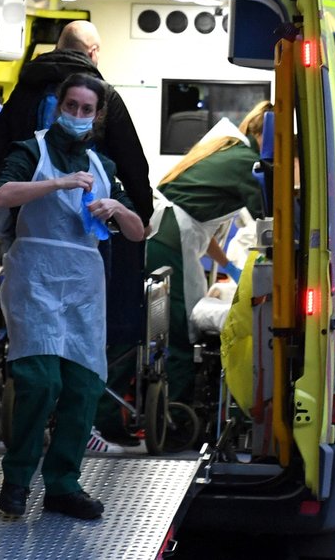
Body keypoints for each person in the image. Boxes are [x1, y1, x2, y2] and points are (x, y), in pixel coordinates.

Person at [0, 73, 146, 521]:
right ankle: (17, 479)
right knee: (42, 382)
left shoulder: (103, 167)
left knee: (84, 386)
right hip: (36, 279)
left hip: (81, 287)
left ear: (98, 117)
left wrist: (116, 207)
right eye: (71, 105)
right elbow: (3, 194)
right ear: (58, 106)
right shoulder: (30, 150)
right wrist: (57, 184)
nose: (77, 115)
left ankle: (62, 484)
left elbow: (137, 231)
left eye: (86, 109)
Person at [97, 101, 271, 440]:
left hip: (164, 234)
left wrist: (228, 267)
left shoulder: (228, 149)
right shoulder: (247, 163)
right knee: (176, 332)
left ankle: (113, 416)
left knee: (142, 327)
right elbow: (269, 216)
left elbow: (201, 224)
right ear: (263, 133)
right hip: (171, 238)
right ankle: (172, 422)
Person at [0, 20, 153, 223]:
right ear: (93, 52)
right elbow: (131, 162)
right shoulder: (103, 95)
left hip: (26, 210)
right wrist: (143, 214)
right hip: (85, 212)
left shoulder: (26, 88)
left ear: (57, 48)